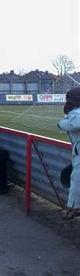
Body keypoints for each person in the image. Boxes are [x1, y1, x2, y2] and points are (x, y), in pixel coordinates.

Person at [57, 87, 80, 220]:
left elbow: (75, 123)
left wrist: (62, 124)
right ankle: (73, 207)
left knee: (76, 179)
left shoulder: (76, 113)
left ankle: (73, 208)